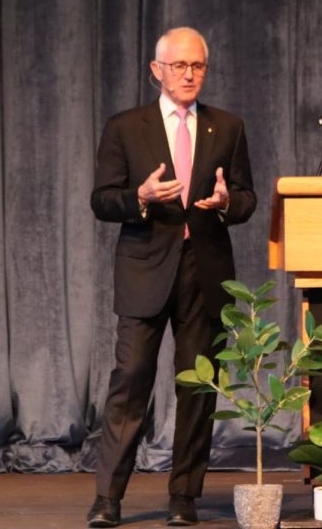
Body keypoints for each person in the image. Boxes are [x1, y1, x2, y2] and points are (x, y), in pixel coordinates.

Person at [87, 27, 256, 527]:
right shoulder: (125, 127)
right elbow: (102, 200)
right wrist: (139, 196)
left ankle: (184, 496)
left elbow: (245, 198)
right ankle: (108, 499)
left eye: (198, 66)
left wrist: (227, 203)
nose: (189, 74)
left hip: (203, 271)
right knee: (131, 380)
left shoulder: (226, 126)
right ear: (156, 71)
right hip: (145, 269)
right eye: (179, 66)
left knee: (198, 387)